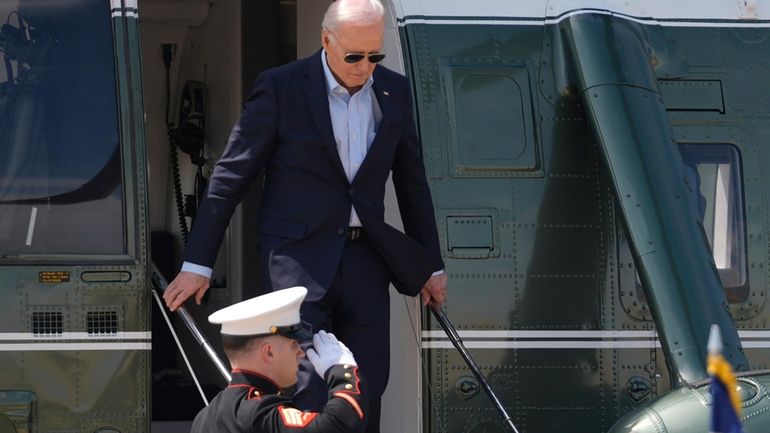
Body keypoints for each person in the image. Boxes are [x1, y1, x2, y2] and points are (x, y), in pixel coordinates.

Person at [163, 1, 447, 431]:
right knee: (307, 385)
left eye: (375, 56)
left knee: (368, 384)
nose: (365, 66)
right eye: (354, 56)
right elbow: (230, 176)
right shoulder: (281, 87)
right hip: (297, 261)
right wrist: (198, 262)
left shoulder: (394, 91)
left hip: (367, 261)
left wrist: (431, 264)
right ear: (326, 41)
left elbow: (412, 184)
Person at [191, 286, 368, 433]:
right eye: (294, 344)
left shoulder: (204, 417)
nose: (301, 352)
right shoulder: (257, 412)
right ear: (269, 352)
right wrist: (343, 371)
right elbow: (339, 425)